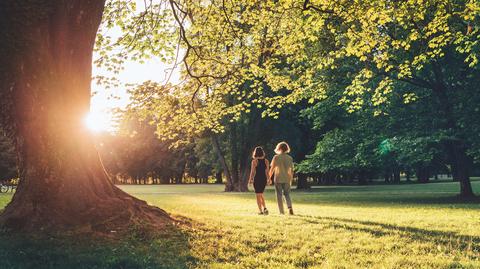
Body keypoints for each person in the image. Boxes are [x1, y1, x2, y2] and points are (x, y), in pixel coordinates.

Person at [269, 141, 294, 215]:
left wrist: (269, 178)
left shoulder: (276, 157)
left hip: (278, 178)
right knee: (287, 194)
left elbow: (272, 169)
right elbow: (291, 170)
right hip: (287, 178)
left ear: (279, 148)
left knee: (279, 195)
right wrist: (291, 179)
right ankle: (289, 207)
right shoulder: (290, 158)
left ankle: (281, 211)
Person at [248, 146, 270, 215]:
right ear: (262, 152)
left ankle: (260, 211)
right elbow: (267, 172)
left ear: (255, 153)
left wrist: (250, 180)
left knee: (258, 195)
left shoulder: (254, 161)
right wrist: (268, 179)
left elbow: (252, 172)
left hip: (257, 179)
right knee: (260, 194)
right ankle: (265, 208)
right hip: (263, 179)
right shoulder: (266, 161)